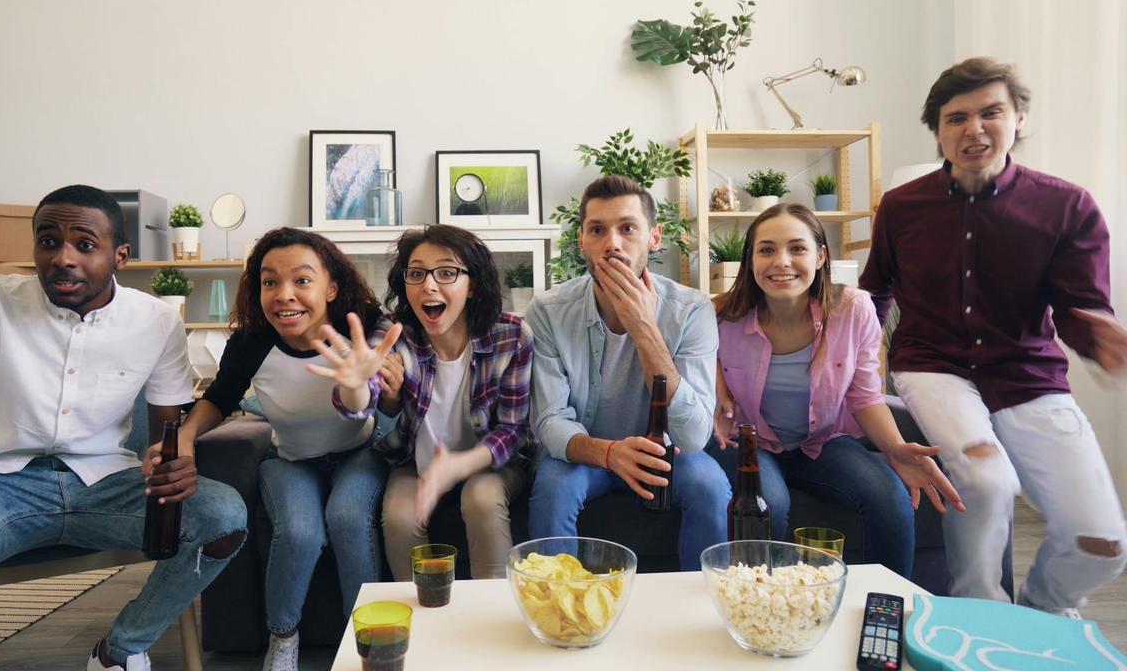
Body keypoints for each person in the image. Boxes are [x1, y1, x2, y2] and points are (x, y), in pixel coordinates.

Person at [0, 185, 247, 671]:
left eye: (84, 244)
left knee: (222, 515)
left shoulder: (157, 321)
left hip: (106, 484)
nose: (62, 258)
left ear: (120, 255)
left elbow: (171, 434)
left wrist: (177, 463)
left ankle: (120, 648)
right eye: (47, 241)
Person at [861, 57, 1127, 615]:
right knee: (985, 481)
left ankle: (1041, 612)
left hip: (1028, 375)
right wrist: (859, 370)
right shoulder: (903, 207)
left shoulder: (1067, 206)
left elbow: (1080, 307)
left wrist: (1099, 335)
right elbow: (875, 293)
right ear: (937, 130)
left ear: (1019, 119)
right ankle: (980, 616)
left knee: (1104, 542)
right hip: (932, 367)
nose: (973, 130)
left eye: (991, 113)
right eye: (956, 118)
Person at [184, 227, 400, 671]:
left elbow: (364, 406)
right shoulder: (251, 342)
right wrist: (185, 437)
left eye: (302, 280)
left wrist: (357, 383)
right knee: (300, 533)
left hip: (358, 454)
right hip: (290, 460)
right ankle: (283, 637)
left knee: (346, 518)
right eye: (270, 282)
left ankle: (363, 639)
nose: (285, 295)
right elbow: (219, 399)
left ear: (331, 287)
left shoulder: (355, 336)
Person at [707, 203, 962, 577]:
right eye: (766, 250)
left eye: (797, 248)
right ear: (750, 259)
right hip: (750, 443)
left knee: (890, 498)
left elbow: (864, 396)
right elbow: (688, 353)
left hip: (823, 441)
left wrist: (894, 448)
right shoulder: (719, 315)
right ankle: (760, 608)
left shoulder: (853, 309)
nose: (782, 262)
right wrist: (717, 382)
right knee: (766, 502)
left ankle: (885, 607)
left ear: (821, 256)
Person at [525, 175, 730, 570]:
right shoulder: (548, 311)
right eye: (598, 230)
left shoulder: (691, 310)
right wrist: (609, 452)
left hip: (669, 453)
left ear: (654, 237)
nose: (613, 243)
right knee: (554, 485)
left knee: (709, 484)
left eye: (628, 228)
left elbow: (692, 436)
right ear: (582, 240)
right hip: (587, 451)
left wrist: (644, 329)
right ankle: (557, 616)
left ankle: (704, 611)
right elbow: (550, 421)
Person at [314, 225, 532, 579]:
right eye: (416, 273)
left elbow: (513, 430)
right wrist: (355, 385)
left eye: (447, 272)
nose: (429, 285)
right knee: (400, 517)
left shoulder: (511, 335)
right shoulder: (394, 333)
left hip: (489, 462)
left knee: (481, 500)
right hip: (415, 463)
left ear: (472, 285)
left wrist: (457, 467)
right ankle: (422, 619)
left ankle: (492, 616)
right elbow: (361, 401)